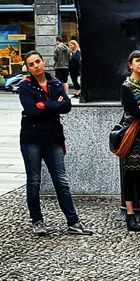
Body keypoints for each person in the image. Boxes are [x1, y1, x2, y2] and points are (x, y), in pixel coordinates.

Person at [18, 50, 93, 236]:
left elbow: (66, 106)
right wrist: (54, 104)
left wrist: (45, 104)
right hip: (32, 140)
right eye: (31, 64)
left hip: (54, 139)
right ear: (28, 68)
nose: (36, 66)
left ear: (44, 62)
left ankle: (73, 222)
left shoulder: (56, 82)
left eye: (38, 62)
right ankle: (37, 221)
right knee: (34, 181)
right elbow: (31, 111)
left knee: (61, 181)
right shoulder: (25, 86)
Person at [118, 50, 140, 231]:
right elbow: (134, 110)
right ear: (130, 64)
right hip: (131, 136)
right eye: (137, 60)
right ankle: (130, 213)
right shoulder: (126, 86)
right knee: (130, 175)